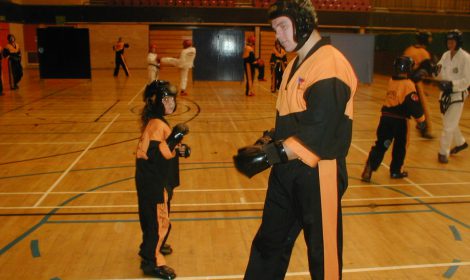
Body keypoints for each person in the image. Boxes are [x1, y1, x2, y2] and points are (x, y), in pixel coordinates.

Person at [233, 0, 357, 279]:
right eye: (275, 28)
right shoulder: (293, 66)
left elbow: (318, 131)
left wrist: (269, 155)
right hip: (286, 170)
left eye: (282, 26)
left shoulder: (330, 64)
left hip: (318, 171)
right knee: (269, 242)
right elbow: (288, 121)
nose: (278, 35)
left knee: (322, 253)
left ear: (303, 23)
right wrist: (266, 141)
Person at [135, 80, 190, 279]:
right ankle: (152, 261)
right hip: (155, 182)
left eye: (172, 99)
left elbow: (163, 149)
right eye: (166, 99)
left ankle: (150, 245)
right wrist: (175, 137)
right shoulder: (157, 124)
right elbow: (157, 155)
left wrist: (180, 149)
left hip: (153, 180)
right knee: (159, 222)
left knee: (152, 220)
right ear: (155, 101)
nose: (171, 104)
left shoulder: (155, 122)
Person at [361, 56, 429, 182]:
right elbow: (413, 105)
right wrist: (422, 121)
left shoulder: (391, 80)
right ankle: (396, 171)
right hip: (400, 121)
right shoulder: (409, 85)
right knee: (400, 146)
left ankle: (370, 166)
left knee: (381, 145)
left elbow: (401, 84)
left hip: (385, 118)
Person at [435, 29, 470, 163]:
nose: (450, 44)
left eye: (452, 41)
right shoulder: (445, 55)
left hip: (457, 95)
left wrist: (451, 84)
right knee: (448, 121)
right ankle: (460, 142)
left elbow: (467, 80)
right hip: (444, 95)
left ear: (458, 42)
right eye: (448, 41)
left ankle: (443, 153)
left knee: (448, 125)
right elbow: (438, 72)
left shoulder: (466, 58)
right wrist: (431, 70)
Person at [403, 30, 435, 138]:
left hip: (403, 81)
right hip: (414, 82)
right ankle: (424, 129)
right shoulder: (423, 53)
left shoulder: (409, 49)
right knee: (421, 106)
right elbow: (427, 72)